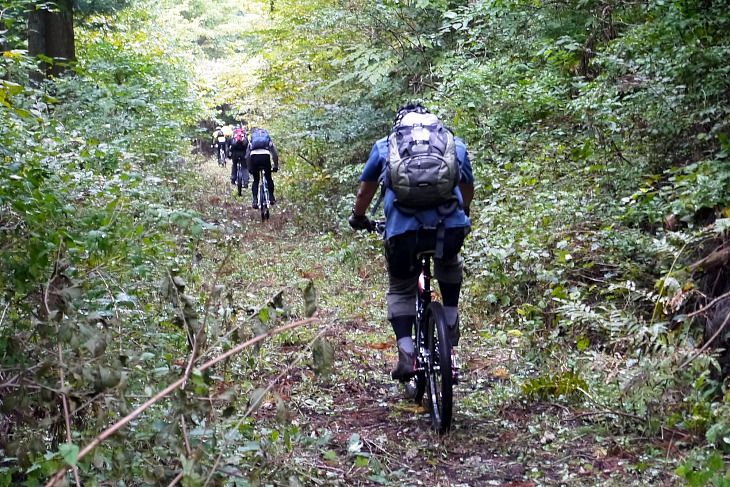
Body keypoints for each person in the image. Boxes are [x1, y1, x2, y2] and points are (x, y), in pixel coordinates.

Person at [348, 103, 474, 381]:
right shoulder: (452, 143)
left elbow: (365, 191)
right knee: (449, 262)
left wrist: (359, 217)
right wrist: (462, 213)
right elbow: (467, 187)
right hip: (448, 227)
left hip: (403, 232)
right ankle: (450, 323)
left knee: (401, 287)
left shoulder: (386, 145)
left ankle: (406, 353)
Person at [246, 128, 279, 209]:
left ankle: (254, 200)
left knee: (256, 180)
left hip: (254, 157)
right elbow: (274, 154)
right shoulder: (267, 139)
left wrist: (249, 167)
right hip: (265, 157)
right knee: (268, 178)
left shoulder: (252, 139)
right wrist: (275, 166)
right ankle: (271, 198)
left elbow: (247, 155)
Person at [229, 126, 249, 194]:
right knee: (244, 167)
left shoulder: (234, 136)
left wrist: (229, 154)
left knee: (234, 165)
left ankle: (233, 179)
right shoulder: (244, 136)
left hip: (235, 155)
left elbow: (231, 146)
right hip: (243, 155)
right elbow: (247, 146)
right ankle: (246, 182)